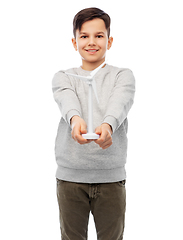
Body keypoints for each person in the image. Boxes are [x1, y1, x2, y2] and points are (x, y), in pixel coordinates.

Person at [52, 7, 135, 240]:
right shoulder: (64, 76)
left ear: (109, 41)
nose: (91, 42)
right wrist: (76, 120)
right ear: (74, 41)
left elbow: (120, 103)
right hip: (70, 179)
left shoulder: (122, 75)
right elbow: (67, 101)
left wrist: (107, 126)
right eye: (84, 36)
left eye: (99, 36)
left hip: (110, 178)